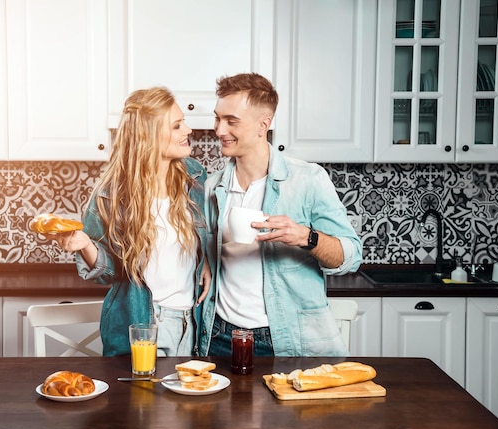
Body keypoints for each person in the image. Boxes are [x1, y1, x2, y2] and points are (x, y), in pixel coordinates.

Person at [200, 73, 362, 357]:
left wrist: (306, 237)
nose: (219, 130)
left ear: (264, 124)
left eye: (231, 121)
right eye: (217, 118)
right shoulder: (213, 187)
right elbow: (211, 253)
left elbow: (351, 256)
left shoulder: (308, 180)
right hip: (219, 336)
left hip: (283, 340)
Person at [51, 87, 211, 357]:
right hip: (142, 324)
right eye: (176, 125)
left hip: (192, 322)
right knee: (141, 400)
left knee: (188, 400)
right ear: (149, 135)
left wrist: (205, 259)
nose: (188, 130)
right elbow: (109, 273)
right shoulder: (111, 194)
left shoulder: (193, 177)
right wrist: (85, 245)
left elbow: (205, 231)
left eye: (183, 121)